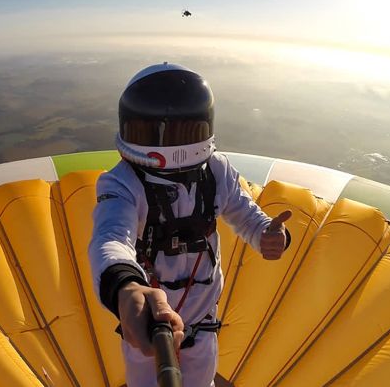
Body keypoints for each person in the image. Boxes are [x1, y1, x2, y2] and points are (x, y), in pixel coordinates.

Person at [88, 63, 291, 387]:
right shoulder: (122, 183)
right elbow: (111, 239)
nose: (169, 143)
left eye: (181, 132)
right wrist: (126, 286)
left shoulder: (215, 171)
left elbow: (244, 212)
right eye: (155, 132)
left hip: (193, 324)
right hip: (150, 326)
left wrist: (267, 232)